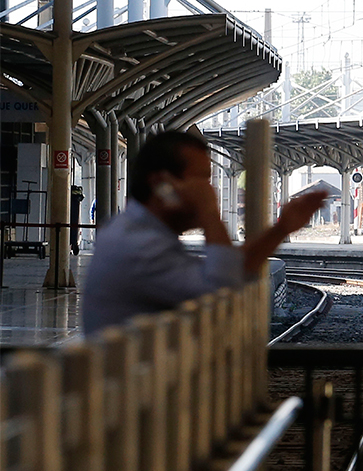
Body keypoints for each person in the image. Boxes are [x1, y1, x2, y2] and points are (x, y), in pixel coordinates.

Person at [82, 131, 327, 336]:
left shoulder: (138, 231)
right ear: (162, 184)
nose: (210, 189)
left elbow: (229, 270)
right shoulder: (137, 244)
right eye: (201, 179)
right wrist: (210, 214)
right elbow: (223, 295)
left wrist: (281, 229)